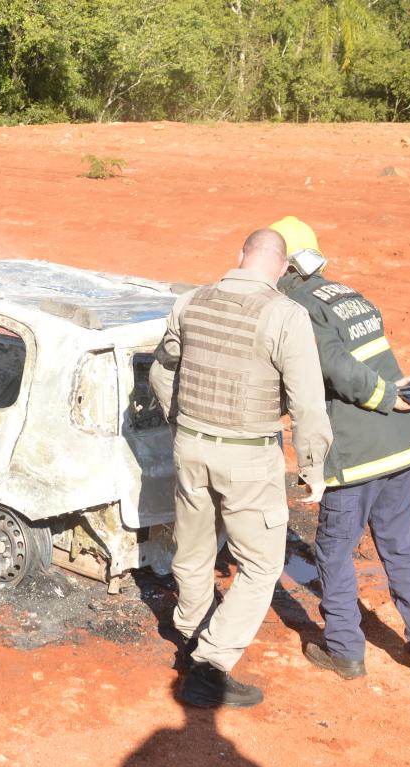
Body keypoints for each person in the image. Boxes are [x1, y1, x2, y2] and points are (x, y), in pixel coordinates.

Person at [149, 228, 332, 709]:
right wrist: (313, 466)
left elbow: (162, 369)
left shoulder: (190, 302)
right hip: (248, 456)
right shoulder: (286, 315)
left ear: (240, 256)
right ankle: (209, 667)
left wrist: (180, 424)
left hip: (189, 446)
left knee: (192, 548)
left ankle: (190, 637)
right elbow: (308, 404)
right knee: (260, 565)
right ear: (282, 268)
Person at [268, 215, 410, 682]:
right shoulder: (347, 294)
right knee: (401, 549)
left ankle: (345, 652)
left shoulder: (299, 305)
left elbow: (338, 369)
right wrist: (398, 399)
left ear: (284, 264)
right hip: (402, 445)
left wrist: (385, 398)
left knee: (333, 552)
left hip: (357, 453)